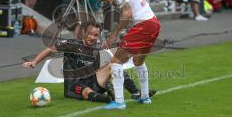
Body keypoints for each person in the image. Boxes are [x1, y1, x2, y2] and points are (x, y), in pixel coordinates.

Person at [87, 0, 161, 109]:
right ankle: (145, 97)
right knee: (138, 62)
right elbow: (117, 0)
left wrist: (113, 35)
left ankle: (119, 102)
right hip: (153, 23)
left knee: (115, 62)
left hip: (143, 26)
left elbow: (127, 13)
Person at [22, 21, 155, 103]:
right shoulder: (72, 44)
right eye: (90, 34)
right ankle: (108, 98)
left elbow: (96, 71)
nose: (92, 37)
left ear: (99, 36)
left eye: (96, 35)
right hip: (74, 86)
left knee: (114, 66)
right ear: (84, 32)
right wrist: (34, 62)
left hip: (92, 82)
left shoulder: (96, 50)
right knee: (86, 92)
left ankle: (136, 93)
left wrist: (106, 79)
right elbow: (50, 49)